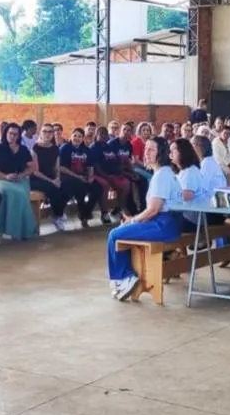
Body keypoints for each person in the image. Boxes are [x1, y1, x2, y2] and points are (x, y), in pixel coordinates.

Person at [105, 137, 184, 300]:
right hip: (166, 222)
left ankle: (124, 278)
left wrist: (133, 220)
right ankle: (125, 276)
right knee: (122, 231)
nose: (146, 153)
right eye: (145, 149)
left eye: (151, 150)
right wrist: (133, 220)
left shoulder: (162, 175)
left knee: (115, 234)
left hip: (164, 224)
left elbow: (154, 209)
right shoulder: (163, 173)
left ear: (161, 153)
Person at [0, 122, 40, 241]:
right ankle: (6, 228)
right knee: (12, 192)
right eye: (10, 133)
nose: (12, 136)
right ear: (5, 134)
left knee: (21, 192)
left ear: (19, 136)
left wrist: (22, 175)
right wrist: (5, 176)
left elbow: (32, 167)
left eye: (16, 134)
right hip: (0, 179)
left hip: (20, 180)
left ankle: (20, 230)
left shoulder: (23, 149)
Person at [59, 127, 104, 227]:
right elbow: (61, 167)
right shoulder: (65, 148)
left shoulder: (86, 150)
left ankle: (87, 212)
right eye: (75, 135)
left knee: (98, 188)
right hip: (68, 177)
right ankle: (83, 216)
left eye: (80, 136)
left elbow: (90, 166)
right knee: (80, 188)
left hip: (83, 176)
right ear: (71, 136)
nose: (77, 138)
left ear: (83, 138)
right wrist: (77, 177)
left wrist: (91, 177)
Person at [30, 123, 69, 231]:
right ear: (40, 133)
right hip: (36, 179)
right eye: (44, 131)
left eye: (50, 132)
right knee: (52, 188)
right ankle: (57, 215)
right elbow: (35, 171)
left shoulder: (55, 148)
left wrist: (58, 179)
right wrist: (52, 181)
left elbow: (56, 168)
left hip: (50, 177)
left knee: (66, 185)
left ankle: (59, 213)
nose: (47, 134)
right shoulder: (35, 147)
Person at [171, 138, 208, 231]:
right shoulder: (182, 172)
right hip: (184, 215)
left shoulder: (190, 172)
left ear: (183, 152)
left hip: (192, 219)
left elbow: (186, 196)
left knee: (161, 222)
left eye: (173, 150)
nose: (170, 153)